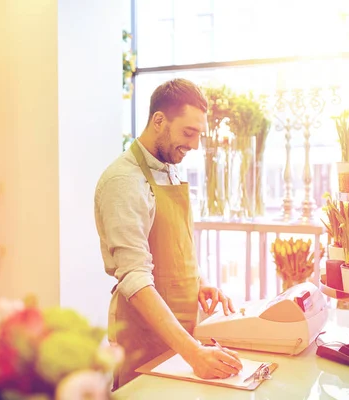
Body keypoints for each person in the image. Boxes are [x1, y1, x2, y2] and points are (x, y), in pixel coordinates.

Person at [94, 78, 243, 389]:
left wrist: (199, 283)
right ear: (158, 120)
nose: (194, 145)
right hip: (146, 336)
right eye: (188, 133)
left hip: (185, 330)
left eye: (199, 134)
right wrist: (194, 353)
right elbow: (134, 277)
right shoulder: (123, 181)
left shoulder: (169, 167)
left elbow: (175, 246)